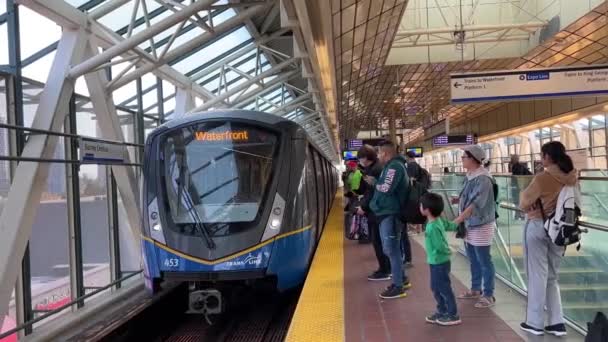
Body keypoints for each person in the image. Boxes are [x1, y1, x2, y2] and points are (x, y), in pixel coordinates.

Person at [518, 141, 577, 337]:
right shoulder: (573, 177)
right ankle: (557, 322)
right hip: (561, 230)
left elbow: (524, 202)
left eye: (542, 155)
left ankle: (534, 322)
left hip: (539, 227)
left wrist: (529, 202)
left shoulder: (543, 178)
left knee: (537, 275)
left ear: (548, 157)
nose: (541, 159)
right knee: (552, 276)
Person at [454, 145, 497, 309]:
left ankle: (489, 294)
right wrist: (458, 202)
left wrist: (458, 219)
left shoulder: (484, 178)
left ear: (473, 159)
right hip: (470, 224)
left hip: (481, 224)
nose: (462, 159)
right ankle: (476, 289)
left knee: (484, 260)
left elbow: (476, 204)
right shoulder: (470, 175)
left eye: (464, 157)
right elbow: (468, 199)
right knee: (473, 259)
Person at [369, 140, 411, 299]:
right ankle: (402, 278)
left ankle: (398, 286)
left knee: (391, 249)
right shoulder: (391, 166)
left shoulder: (394, 167)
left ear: (385, 153)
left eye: (379, 152)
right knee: (393, 249)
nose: (378, 155)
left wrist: (375, 182)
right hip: (387, 212)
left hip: (390, 213)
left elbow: (386, 187)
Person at [420, 192, 461, 326]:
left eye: (421, 205)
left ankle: (452, 314)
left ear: (427, 210)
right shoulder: (437, 221)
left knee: (443, 288)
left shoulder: (432, 227)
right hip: (435, 262)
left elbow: (440, 246)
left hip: (439, 262)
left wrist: (448, 251)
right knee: (436, 287)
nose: (419, 207)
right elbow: (449, 225)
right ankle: (442, 310)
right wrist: (458, 223)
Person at [355, 145, 391, 281]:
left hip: (376, 210)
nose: (359, 160)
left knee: (378, 241)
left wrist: (363, 207)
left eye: (360, 158)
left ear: (366, 157)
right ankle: (386, 268)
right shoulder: (372, 168)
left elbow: (373, 192)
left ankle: (385, 270)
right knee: (379, 241)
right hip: (376, 209)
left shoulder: (375, 170)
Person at [510, 155, 532, 219]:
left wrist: (518, 187)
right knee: (518, 200)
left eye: (512, 159)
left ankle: (519, 214)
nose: (511, 160)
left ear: (515, 159)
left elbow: (518, 177)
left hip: (520, 187)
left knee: (518, 200)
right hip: (521, 186)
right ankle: (519, 214)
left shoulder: (517, 167)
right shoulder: (518, 166)